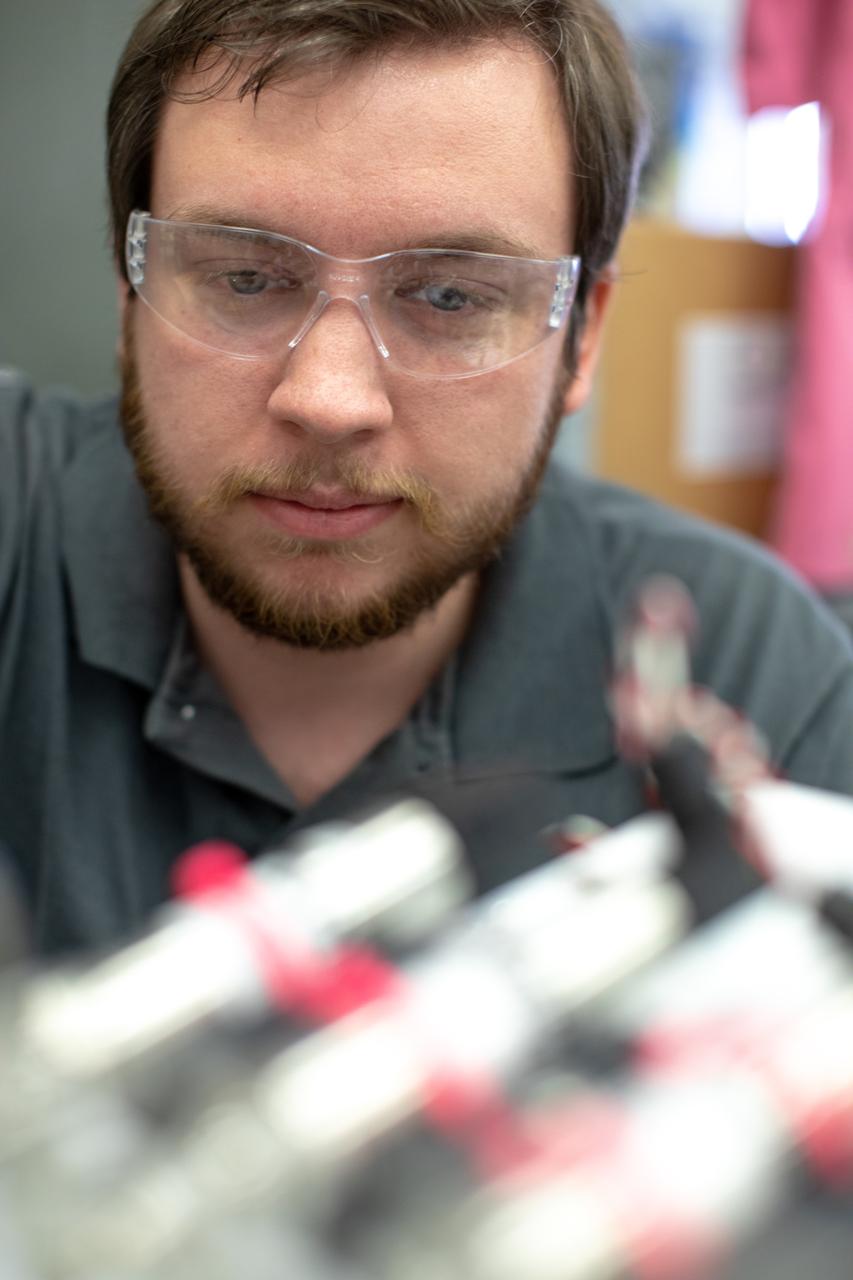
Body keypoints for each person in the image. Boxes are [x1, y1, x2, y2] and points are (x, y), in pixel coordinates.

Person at [2, 0, 853, 957]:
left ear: (584, 338)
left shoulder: (756, 672)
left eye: (450, 296)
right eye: (245, 278)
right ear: (130, 296)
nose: (328, 399)